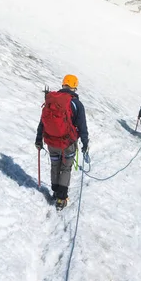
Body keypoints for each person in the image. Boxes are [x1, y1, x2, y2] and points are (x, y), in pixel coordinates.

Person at [35, 74, 89, 210]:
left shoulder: (52, 100)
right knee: (65, 168)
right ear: (74, 86)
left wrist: (38, 139)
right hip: (67, 143)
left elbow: (43, 121)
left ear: (63, 84)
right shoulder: (76, 103)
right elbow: (82, 126)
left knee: (55, 165)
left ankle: (55, 191)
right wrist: (85, 143)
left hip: (51, 141)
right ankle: (61, 198)